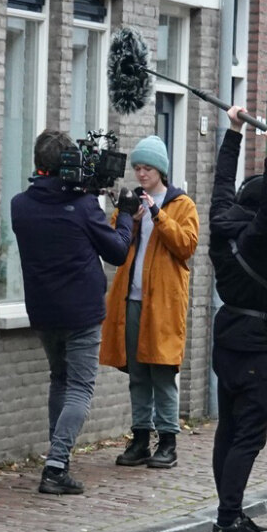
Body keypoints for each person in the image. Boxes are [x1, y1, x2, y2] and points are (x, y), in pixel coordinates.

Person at [10, 129, 134, 496]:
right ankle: (56, 464)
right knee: (80, 387)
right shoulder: (83, 208)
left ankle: (57, 457)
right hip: (81, 312)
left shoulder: (20, 205)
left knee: (59, 380)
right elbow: (117, 252)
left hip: (43, 311)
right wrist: (124, 214)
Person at [208, 106, 267, 532]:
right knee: (250, 432)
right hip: (253, 343)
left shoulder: (222, 223)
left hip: (227, 337)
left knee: (229, 428)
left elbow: (221, 183)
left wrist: (234, 131)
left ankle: (230, 511)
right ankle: (228, 517)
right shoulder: (256, 239)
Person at [100, 135, 200, 470]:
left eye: (147, 168)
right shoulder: (133, 203)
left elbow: (186, 245)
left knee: (162, 370)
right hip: (132, 300)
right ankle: (140, 438)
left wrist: (158, 215)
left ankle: (168, 441)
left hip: (165, 304)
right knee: (138, 372)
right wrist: (130, 218)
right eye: (137, 168)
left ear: (161, 170)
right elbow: (116, 245)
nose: (141, 174)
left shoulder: (181, 205)